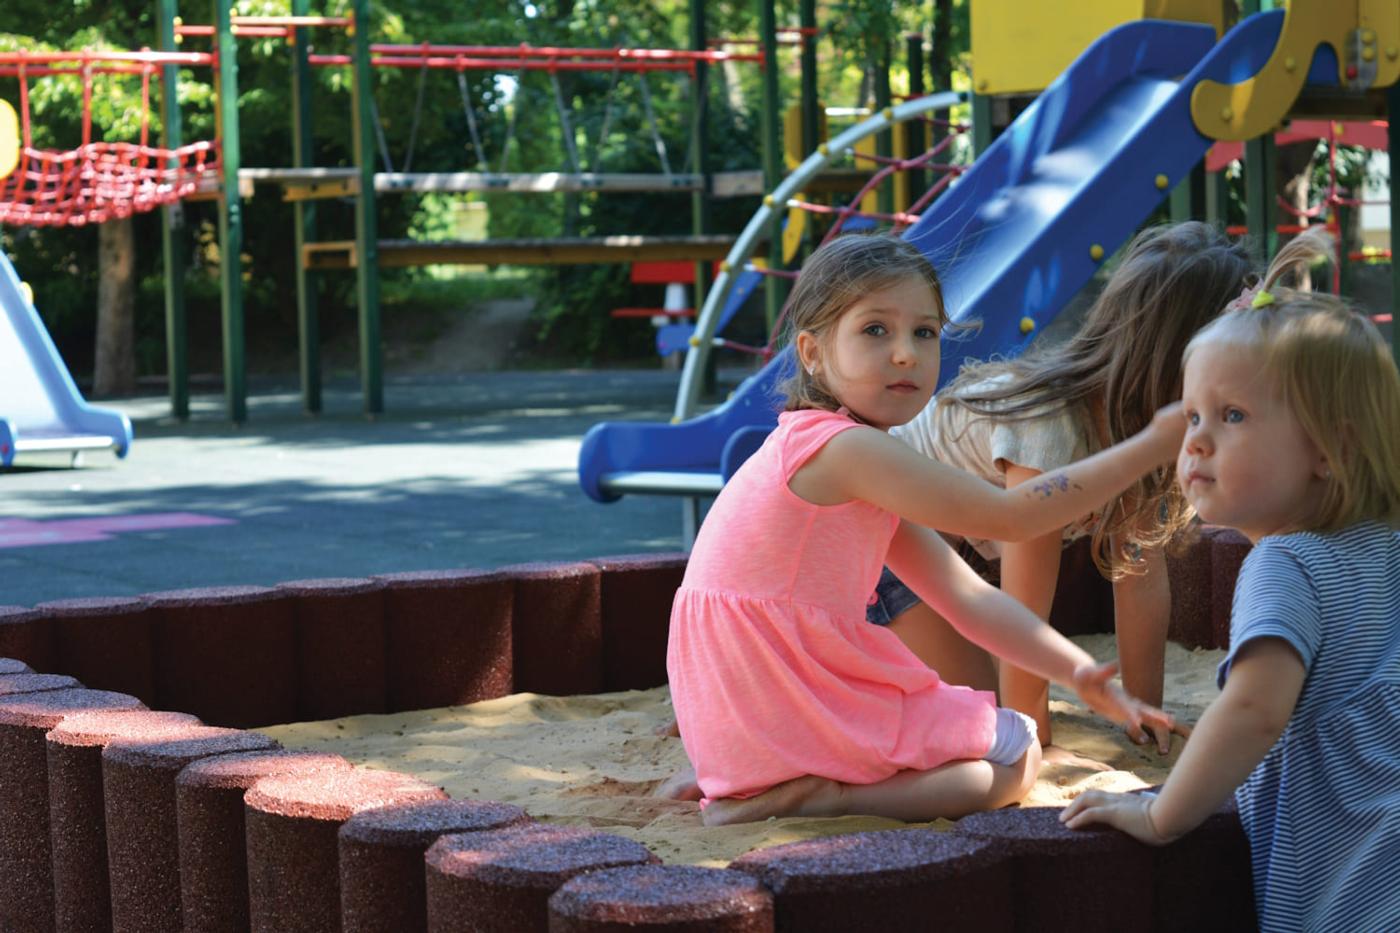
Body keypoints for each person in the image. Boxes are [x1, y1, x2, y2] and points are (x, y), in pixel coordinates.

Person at [668, 232, 1182, 826]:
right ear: (811, 352)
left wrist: (1075, 672)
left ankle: (769, 773)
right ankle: (830, 797)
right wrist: (1148, 447)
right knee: (1019, 754)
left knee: (989, 729)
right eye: (875, 330)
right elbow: (1012, 517)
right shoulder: (847, 450)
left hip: (745, 707)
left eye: (925, 332)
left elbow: (968, 599)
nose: (907, 353)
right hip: (784, 689)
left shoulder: (829, 450)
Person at [1060, 239, 1400, 932]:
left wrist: (1161, 814)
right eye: (1191, 416)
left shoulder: (1286, 565)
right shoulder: (1385, 550)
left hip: (1358, 891)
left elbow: (1252, 711)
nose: (1197, 442)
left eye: (1233, 416)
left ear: (1329, 452)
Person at [870, 222, 1256, 756]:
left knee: (980, 704)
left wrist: (1144, 713)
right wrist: (1035, 740)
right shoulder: (1052, 429)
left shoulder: (1141, 428)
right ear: (1178, 360)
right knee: (987, 716)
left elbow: (1139, 575)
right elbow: (1023, 610)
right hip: (876, 548)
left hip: (940, 554)